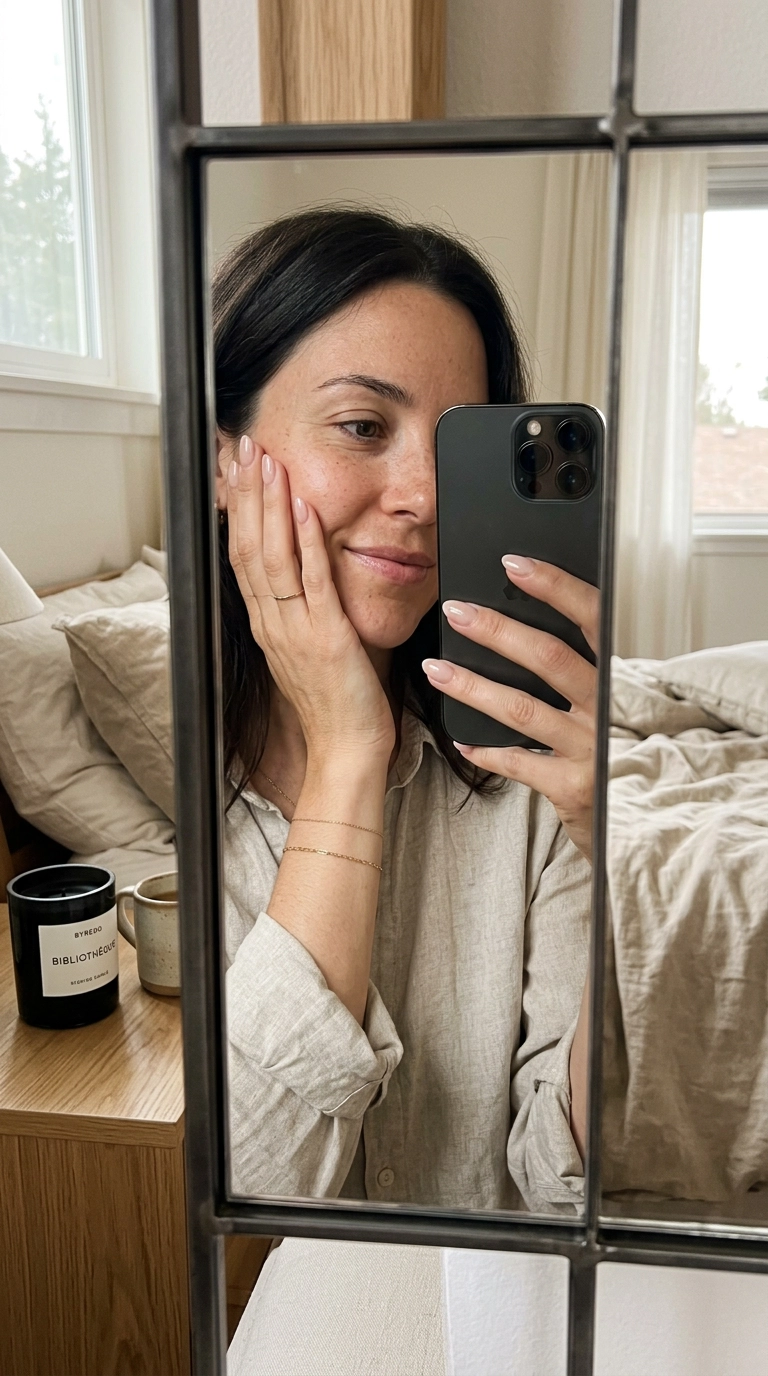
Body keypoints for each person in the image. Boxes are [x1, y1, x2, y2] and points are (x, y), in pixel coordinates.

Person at [215, 207, 596, 1212]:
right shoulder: (156, 792)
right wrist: (347, 747)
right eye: (362, 426)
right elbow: (255, 1189)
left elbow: (563, 1181)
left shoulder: (524, 763)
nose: (425, 493)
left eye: (458, 446)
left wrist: (621, 868)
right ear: (224, 459)